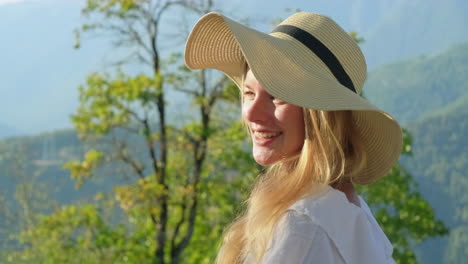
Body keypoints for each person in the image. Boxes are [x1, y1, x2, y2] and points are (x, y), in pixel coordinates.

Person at [185, 11, 401, 264]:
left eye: (277, 95)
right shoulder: (347, 210)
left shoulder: (303, 227)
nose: (251, 114)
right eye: (249, 93)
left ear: (319, 117)